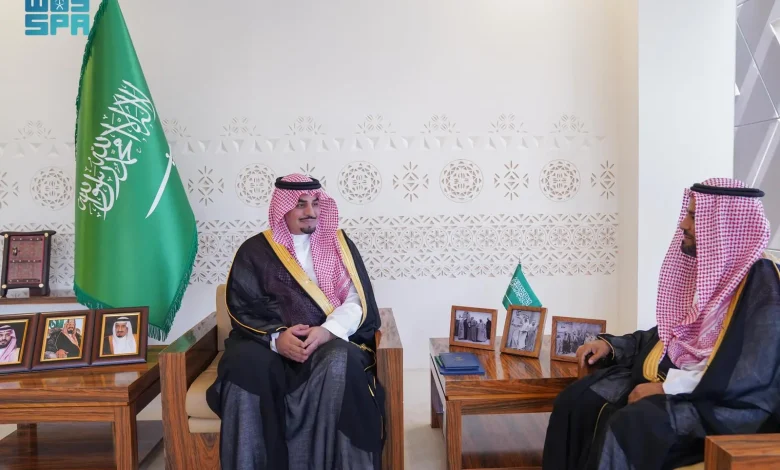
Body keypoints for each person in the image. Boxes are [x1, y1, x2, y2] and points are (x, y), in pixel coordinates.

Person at [542, 178, 780, 470]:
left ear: (725, 226)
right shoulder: (719, 275)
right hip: (688, 386)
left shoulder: (764, 287)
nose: (683, 225)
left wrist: (668, 388)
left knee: (630, 425)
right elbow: (674, 335)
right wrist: (613, 346)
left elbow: (749, 376)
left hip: (727, 407)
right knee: (578, 401)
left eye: (694, 216)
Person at [206, 174, 384, 470]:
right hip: (266, 343)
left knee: (340, 363)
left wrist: (327, 331)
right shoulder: (255, 250)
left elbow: (357, 301)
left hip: (326, 341)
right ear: (282, 207)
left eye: (315, 203)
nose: (310, 211)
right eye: (300, 204)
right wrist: (277, 338)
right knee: (243, 367)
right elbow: (242, 304)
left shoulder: (339, 244)